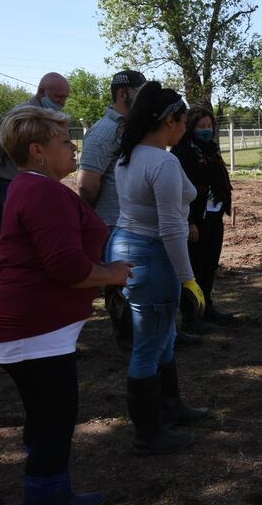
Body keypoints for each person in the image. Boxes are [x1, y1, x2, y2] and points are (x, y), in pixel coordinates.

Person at [0, 106, 132, 505]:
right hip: (31, 326)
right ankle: (48, 497)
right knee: (54, 421)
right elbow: (67, 268)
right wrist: (113, 273)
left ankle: (54, 492)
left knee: (44, 417)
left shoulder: (27, 185)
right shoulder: (43, 191)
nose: (74, 148)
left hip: (27, 324)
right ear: (37, 150)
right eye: (65, 141)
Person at [107, 82, 209, 454]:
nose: (187, 126)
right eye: (183, 120)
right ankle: (149, 434)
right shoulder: (162, 162)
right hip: (151, 253)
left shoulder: (129, 155)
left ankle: (171, 408)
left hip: (127, 244)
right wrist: (188, 279)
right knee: (149, 345)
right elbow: (170, 228)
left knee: (162, 336)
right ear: (170, 120)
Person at [77, 70, 146, 352]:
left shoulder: (134, 129)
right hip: (112, 224)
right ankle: (128, 339)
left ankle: (148, 333)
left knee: (141, 279)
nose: (144, 98)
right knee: (120, 281)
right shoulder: (102, 132)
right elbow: (87, 185)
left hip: (135, 221)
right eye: (139, 92)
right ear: (123, 93)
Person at [171, 105, 235, 328]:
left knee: (210, 264)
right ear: (191, 127)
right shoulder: (182, 153)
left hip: (215, 215)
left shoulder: (212, 150)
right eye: (201, 126)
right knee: (193, 267)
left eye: (210, 126)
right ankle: (191, 315)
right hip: (195, 219)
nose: (207, 130)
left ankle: (207, 306)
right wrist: (188, 222)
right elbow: (179, 190)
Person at [0, 72, 71, 203]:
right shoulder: (21, 116)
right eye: (58, 97)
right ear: (41, 92)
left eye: (65, 98)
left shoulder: (50, 116)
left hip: (38, 183)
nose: (62, 102)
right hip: (12, 184)